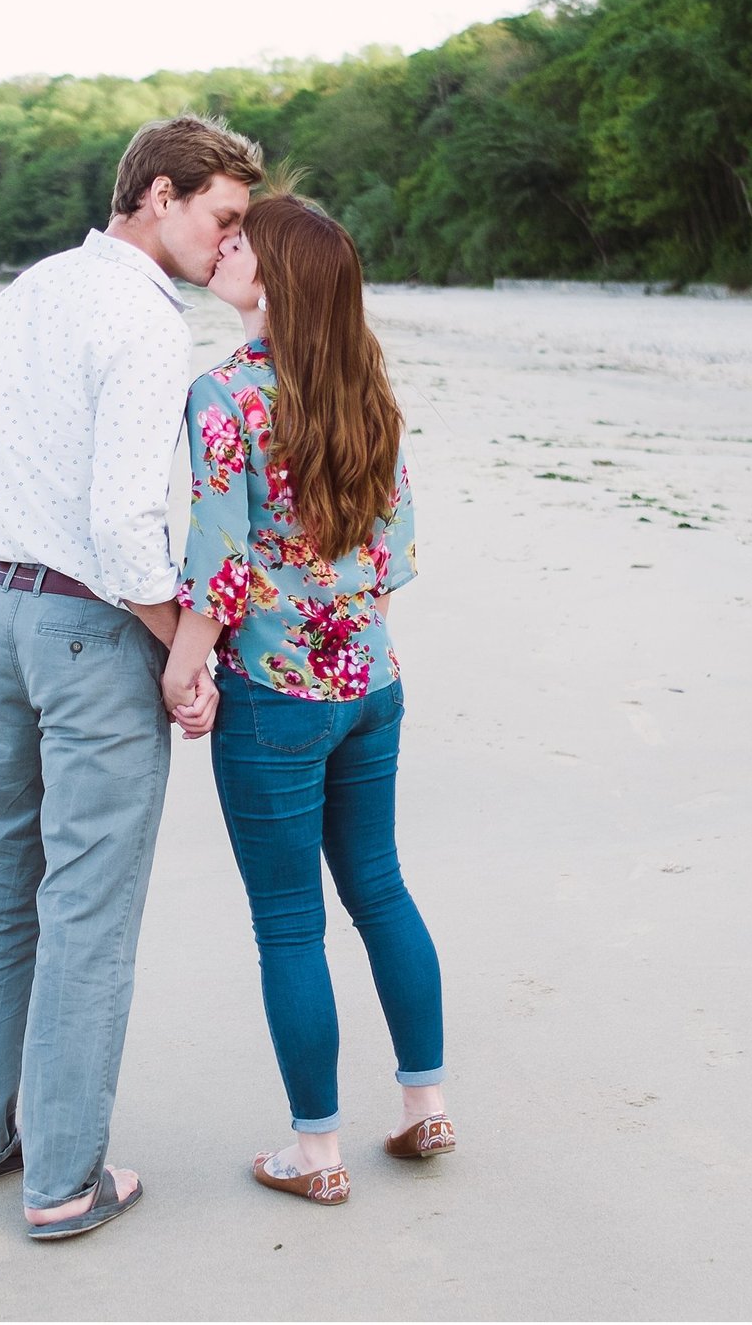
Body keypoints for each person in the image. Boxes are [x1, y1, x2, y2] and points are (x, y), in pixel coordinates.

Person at [0, 114, 259, 1240]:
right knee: (86, 910)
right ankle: (64, 1178)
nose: (227, 247)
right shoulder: (143, 321)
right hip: (88, 628)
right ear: (158, 195)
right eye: (220, 218)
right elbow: (126, 527)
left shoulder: (26, 290)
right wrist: (182, 650)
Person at [158, 192, 453, 1209]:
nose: (225, 248)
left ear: (279, 281)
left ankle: (314, 1151)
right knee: (380, 887)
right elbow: (395, 552)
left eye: (245, 243)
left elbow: (219, 564)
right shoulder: (370, 393)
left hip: (275, 698)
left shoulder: (226, 397)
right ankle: (425, 1103)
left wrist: (180, 666)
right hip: (371, 683)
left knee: (289, 924)